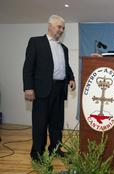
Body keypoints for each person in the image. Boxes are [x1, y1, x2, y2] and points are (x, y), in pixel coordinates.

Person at [23, 15, 76, 161]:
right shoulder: (36, 42)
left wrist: (71, 78)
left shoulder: (63, 48)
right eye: (59, 27)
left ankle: (56, 149)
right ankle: (37, 154)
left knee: (57, 123)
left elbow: (66, 66)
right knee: (40, 123)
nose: (61, 30)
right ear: (50, 25)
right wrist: (28, 87)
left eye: (63, 28)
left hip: (59, 89)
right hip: (41, 90)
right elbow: (28, 67)